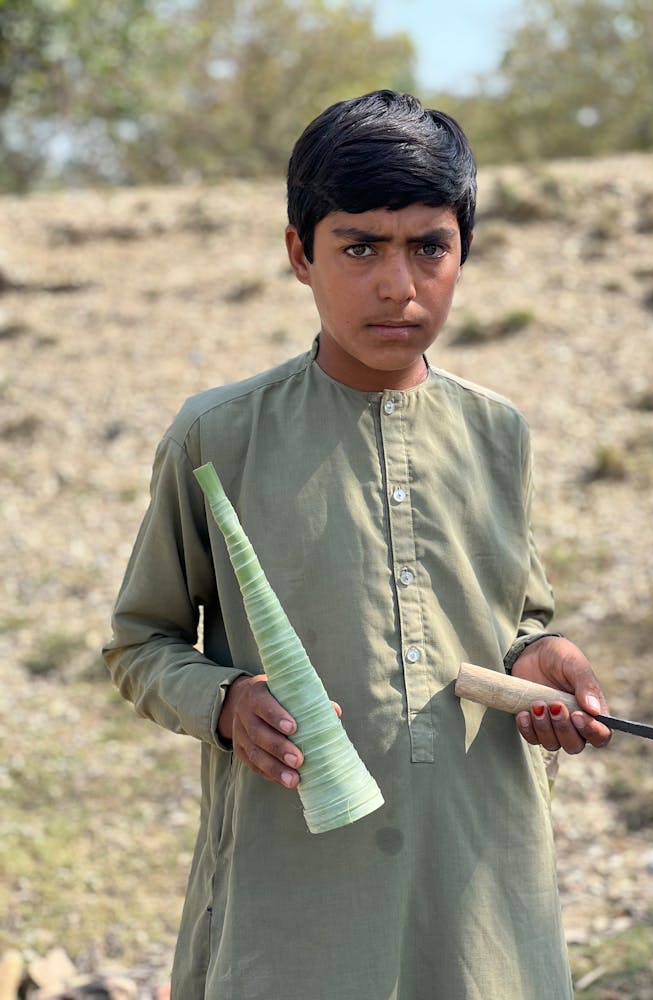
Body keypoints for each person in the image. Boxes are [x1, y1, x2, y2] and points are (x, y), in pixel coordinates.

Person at [104, 89, 612, 1000]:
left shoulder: (499, 434)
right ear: (301, 254)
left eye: (429, 246)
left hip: (480, 882)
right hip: (294, 886)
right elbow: (140, 644)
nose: (398, 284)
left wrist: (544, 656)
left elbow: (517, 617)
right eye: (360, 246)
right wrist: (225, 702)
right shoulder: (220, 436)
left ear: (464, 252)